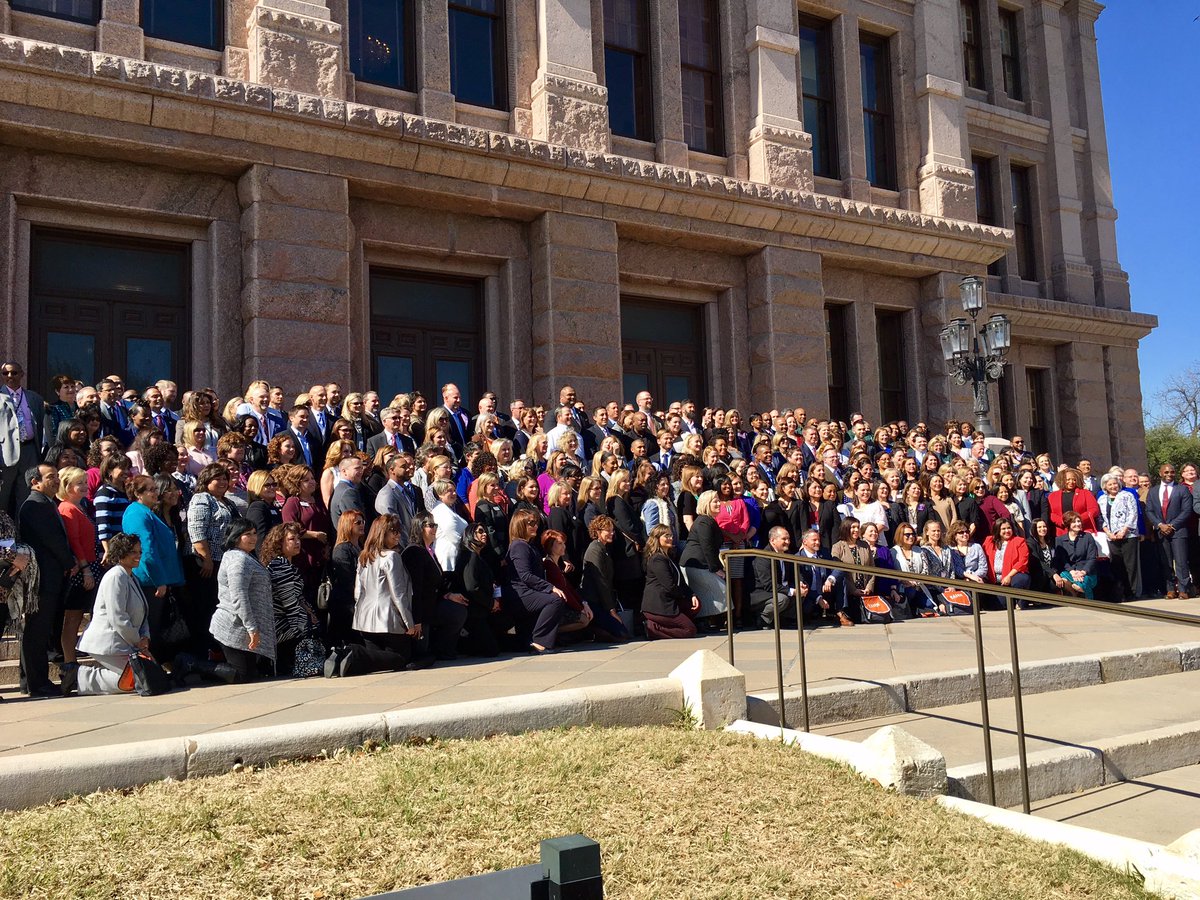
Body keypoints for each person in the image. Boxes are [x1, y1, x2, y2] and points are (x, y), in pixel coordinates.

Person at [70, 533, 152, 695]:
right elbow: (118, 617)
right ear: (121, 553)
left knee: (147, 677)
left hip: (126, 641)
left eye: (139, 552)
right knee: (138, 680)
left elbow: (143, 612)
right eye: (133, 552)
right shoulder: (116, 576)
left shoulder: (130, 576)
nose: (138, 556)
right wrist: (137, 641)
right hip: (108, 642)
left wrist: (145, 637)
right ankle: (79, 677)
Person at [18, 464, 73, 696]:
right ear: (35, 482)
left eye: (57, 476)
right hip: (42, 578)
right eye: (51, 477)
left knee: (38, 630)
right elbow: (52, 540)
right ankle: (37, 682)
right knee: (37, 631)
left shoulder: (46, 503)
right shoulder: (35, 505)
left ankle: (27, 680)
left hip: (50, 576)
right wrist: (69, 562)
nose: (57, 480)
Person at [121, 474, 185, 654]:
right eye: (151, 490)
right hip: (149, 582)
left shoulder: (146, 511)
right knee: (150, 628)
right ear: (138, 493)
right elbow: (145, 550)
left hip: (157, 579)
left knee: (155, 627)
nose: (156, 493)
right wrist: (158, 580)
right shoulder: (137, 513)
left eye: (156, 489)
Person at [209, 520, 275, 681]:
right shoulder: (239, 560)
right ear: (236, 536)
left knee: (252, 673)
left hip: (242, 626)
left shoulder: (243, 556)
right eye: (247, 534)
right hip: (233, 626)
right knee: (241, 675)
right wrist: (252, 628)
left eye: (254, 533)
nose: (253, 538)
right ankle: (191, 664)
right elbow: (239, 595)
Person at [401, 511, 469, 662]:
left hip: (432, 604)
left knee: (458, 610)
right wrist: (417, 620)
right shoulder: (414, 552)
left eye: (435, 525)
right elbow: (415, 589)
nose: (434, 529)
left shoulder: (429, 550)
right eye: (430, 525)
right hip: (421, 611)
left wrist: (449, 595)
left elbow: (437, 581)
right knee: (422, 655)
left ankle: (444, 649)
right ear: (419, 527)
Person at [186, 462, 238, 649]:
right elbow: (197, 531)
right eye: (218, 478)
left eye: (225, 478)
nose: (223, 482)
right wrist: (206, 559)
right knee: (205, 606)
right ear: (206, 480)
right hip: (205, 563)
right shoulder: (202, 498)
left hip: (224, 562)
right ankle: (205, 648)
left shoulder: (228, 502)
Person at [502, 507, 566, 653]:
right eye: (530, 523)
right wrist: (550, 588)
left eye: (535, 522)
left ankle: (533, 640)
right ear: (520, 525)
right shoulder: (519, 546)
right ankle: (539, 642)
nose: (535, 526)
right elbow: (525, 575)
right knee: (555, 600)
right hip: (520, 593)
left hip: (527, 591)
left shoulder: (527, 545)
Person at [261, 522, 321, 676]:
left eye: (298, 538)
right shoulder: (280, 565)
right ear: (279, 542)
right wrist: (303, 627)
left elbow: (298, 597)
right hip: (281, 625)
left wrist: (310, 613)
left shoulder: (287, 564)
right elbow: (289, 603)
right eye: (291, 539)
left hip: (288, 620)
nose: (297, 542)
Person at [55, 466, 98, 678]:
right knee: (73, 618)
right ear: (67, 486)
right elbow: (74, 542)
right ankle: (70, 662)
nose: (84, 486)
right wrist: (85, 569)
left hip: (90, 565)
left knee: (81, 615)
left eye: (84, 482)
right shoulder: (67, 508)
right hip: (82, 570)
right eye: (78, 483)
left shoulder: (79, 506)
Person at [641, 524, 700, 639]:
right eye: (666, 536)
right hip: (659, 606)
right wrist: (683, 596)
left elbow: (681, 582)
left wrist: (691, 595)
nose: (670, 538)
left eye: (671, 535)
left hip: (671, 600)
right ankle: (653, 629)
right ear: (657, 539)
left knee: (694, 605)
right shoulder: (657, 559)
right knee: (690, 630)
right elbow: (669, 586)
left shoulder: (669, 556)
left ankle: (667, 624)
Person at [679, 490, 728, 620]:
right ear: (706, 504)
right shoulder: (703, 522)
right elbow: (707, 546)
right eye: (715, 501)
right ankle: (703, 621)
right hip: (696, 565)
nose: (719, 503)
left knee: (711, 594)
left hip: (701, 564)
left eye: (719, 501)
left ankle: (706, 621)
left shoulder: (708, 520)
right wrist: (716, 569)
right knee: (720, 590)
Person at [1147, 463, 1193, 599]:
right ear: (1160, 473)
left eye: (1172, 472)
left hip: (1178, 531)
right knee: (1165, 562)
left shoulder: (1182, 490)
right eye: (1166, 472)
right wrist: (1160, 525)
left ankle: (1184, 589)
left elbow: (1186, 510)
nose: (1169, 475)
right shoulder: (1153, 491)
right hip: (1161, 531)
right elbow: (1149, 510)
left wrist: (1172, 525)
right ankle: (1170, 589)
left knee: (1181, 561)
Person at [1099, 471, 1139, 601]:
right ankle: (1119, 593)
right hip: (1111, 537)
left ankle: (1132, 592)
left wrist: (1124, 530)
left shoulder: (1127, 495)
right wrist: (1108, 532)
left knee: (1130, 565)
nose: (1113, 486)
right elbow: (1101, 518)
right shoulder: (1102, 499)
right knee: (1116, 565)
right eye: (1110, 484)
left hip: (1128, 535)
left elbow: (1133, 514)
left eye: (1115, 483)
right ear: (1105, 486)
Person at [327, 509, 365, 646]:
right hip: (346, 603)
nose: (362, 525)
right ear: (348, 525)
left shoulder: (359, 546)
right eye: (358, 522)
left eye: (363, 521)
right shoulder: (342, 549)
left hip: (358, 600)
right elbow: (346, 578)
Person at [750, 526, 800, 628]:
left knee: (799, 593)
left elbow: (796, 573)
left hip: (779, 589)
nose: (788, 542)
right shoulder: (764, 557)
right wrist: (791, 591)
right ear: (773, 540)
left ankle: (783, 620)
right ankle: (763, 619)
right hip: (762, 594)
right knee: (782, 599)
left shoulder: (787, 554)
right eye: (784, 539)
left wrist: (800, 585)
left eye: (788, 539)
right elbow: (768, 585)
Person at [1054, 511, 1100, 598]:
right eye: (1074, 522)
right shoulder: (1059, 540)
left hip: (1087, 572)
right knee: (1064, 579)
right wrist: (1072, 572)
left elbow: (1092, 558)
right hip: (1070, 572)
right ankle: (1074, 595)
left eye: (1079, 521)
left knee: (1080, 585)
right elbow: (1063, 560)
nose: (1078, 524)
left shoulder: (1088, 537)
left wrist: (1083, 572)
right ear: (1068, 524)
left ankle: (1089, 600)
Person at [983, 519, 1031, 597]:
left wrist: (1009, 576)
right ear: (997, 530)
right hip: (993, 581)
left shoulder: (1019, 541)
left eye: (1009, 528)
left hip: (1012, 577)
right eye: (1003, 529)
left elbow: (1022, 562)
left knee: (1020, 579)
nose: (1007, 531)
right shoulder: (989, 541)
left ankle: (1020, 601)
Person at [431, 478, 469, 571]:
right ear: (440, 494)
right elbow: (454, 537)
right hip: (448, 559)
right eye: (450, 491)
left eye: (454, 490)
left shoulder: (447, 509)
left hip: (455, 556)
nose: (454, 493)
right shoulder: (442, 511)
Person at [244, 469, 282, 552]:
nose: (272, 488)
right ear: (257, 486)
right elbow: (259, 538)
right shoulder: (257, 507)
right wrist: (265, 558)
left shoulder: (272, 507)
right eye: (267, 485)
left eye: (274, 484)